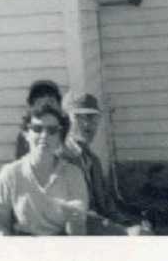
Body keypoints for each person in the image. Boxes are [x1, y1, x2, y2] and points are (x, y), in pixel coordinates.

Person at [61, 92, 152, 235]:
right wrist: (124, 232)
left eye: (93, 117)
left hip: (104, 229)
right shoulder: (62, 159)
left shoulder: (94, 161)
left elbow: (108, 206)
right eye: (79, 117)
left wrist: (129, 224)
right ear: (66, 121)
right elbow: (78, 216)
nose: (87, 124)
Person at [0, 102, 89, 235]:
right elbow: (1, 224)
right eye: (37, 129)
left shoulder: (73, 175)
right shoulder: (10, 174)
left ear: (60, 137)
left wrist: (74, 216)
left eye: (52, 130)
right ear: (26, 133)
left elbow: (77, 229)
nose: (44, 135)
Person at [14, 79, 63, 159]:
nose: (45, 106)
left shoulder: (71, 130)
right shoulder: (27, 135)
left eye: (50, 101)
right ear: (31, 107)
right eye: (39, 102)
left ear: (59, 105)